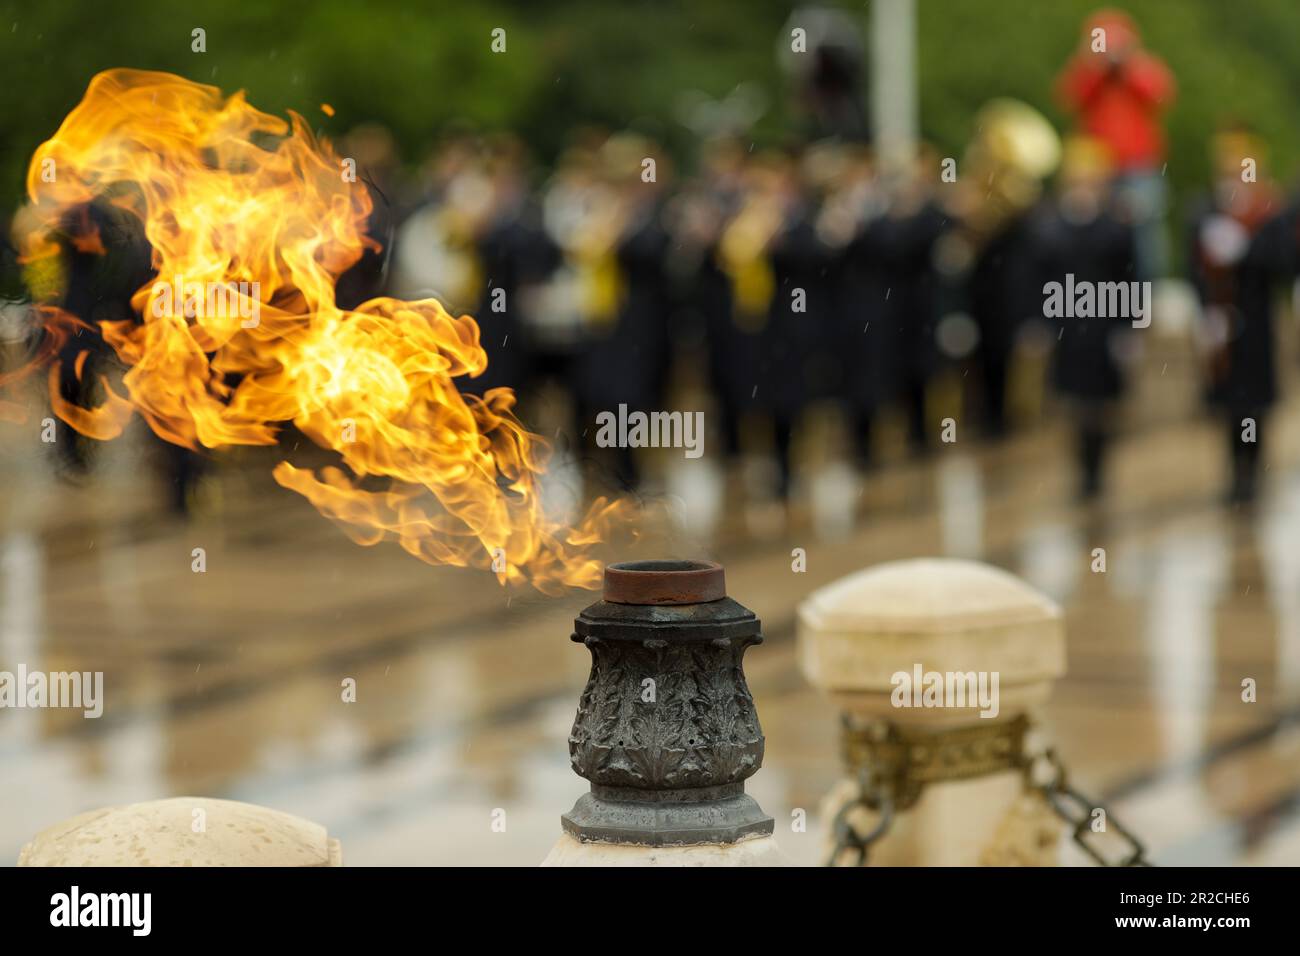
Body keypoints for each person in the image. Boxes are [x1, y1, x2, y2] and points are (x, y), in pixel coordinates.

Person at [1186, 126, 1288, 503]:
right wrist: (1205, 312)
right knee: (1228, 404)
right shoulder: (1205, 211)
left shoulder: (1268, 214)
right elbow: (1192, 266)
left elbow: (1283, 264)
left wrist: (1248, 249)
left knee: (1255, 404)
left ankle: (1253, 472)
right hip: (1221, 322)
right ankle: (1235, 475)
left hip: (1257, 321)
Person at [1034, 137, 1138, 499]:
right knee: (1074, 403)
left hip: (1103, 322)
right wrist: (1042, 323)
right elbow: (1042, 275)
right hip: (1068, 324)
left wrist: (1129, 326)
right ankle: (1083, 471)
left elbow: (1129, 275)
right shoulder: (1052, 223)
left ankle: (1098, 470)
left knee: (1101, 403)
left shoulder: (1116, 223)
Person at [1056, 8, 1176, 280]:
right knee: (1092, 235)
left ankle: (1146, 297)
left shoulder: (1141, 68)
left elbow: (1161, 95)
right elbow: (1069, 97)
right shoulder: (1087, 71)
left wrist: (1128, 66)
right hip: (1095, 171)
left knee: (1145, 236)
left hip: (1138, 167)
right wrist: (1095, 67)